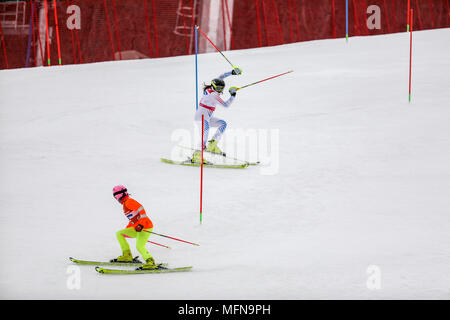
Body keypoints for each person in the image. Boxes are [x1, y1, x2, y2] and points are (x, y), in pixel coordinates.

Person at [191, 67, 242, 163]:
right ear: (214, 87)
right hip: (201, 117)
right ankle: (197, 155)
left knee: (222, 124)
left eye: (221, 88)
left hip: (207, 117)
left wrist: (232, 72)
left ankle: (212, 145)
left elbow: (221, 77)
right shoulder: (214, 95)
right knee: (204, 136)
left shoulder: (210, 88)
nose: (220, 90)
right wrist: (233, 95)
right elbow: (226, 105)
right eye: (218, 88)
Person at [111, 185, 157, 269]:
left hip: (145, 227)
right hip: (138, 228)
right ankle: (127, 256)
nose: (116, 199)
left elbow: (142, 211)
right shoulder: (125, 204)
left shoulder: (129, 202)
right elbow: (133, 220)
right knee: (120, 234)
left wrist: (141, 225)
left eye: (115, 196)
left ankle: (150, 262)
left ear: (119, 195)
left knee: (139, 246)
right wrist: (127, 230)